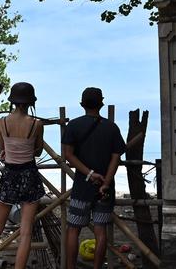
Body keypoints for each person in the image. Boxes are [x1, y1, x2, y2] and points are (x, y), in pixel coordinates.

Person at [0, 82, 45, 269]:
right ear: (30, 102)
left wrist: (10, 151)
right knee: (25, 231)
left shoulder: (2, 123)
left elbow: (3, 149)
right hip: (29, 176)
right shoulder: (36, 124)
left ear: (13, 101)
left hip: (9, 175)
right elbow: (38, 151)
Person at [63, 87, 126, 269]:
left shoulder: (73, 126)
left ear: (82, 104)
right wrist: (105, 181)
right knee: (100, 231)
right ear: (101, 104)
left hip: (82, 187)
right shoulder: (112, 128)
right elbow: (116, 157)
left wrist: (89, 174)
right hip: (105, 190)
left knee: (73, 229)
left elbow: (68, 155)